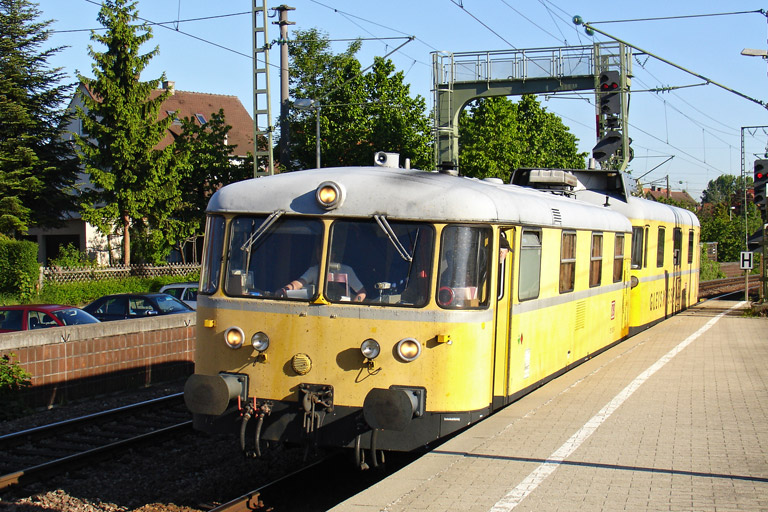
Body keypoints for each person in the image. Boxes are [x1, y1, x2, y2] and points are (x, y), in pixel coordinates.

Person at [282, 262, 367, 302]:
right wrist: (285, 289)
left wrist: (352, 306)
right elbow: (299, 283)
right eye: (320, 251)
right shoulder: (314, 270)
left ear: (334, 254)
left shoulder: (347, 270)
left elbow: (362, 292)